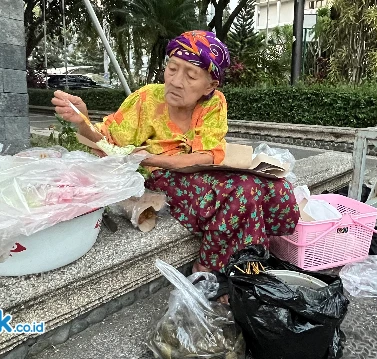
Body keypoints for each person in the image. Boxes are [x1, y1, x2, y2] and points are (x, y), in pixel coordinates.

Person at [52, 30, 299, 279]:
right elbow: (108, 143)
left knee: (279, 188)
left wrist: (150, 158)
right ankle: (210, 267)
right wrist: (82, 120)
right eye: (172, 68)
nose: (176, 81)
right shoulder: (147, 99)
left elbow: (207, 156)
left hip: (193, 169)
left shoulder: (214, 103)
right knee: (244, 191)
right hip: (163, 177)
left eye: (191, 75)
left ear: (210, 86)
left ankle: (250, 259)